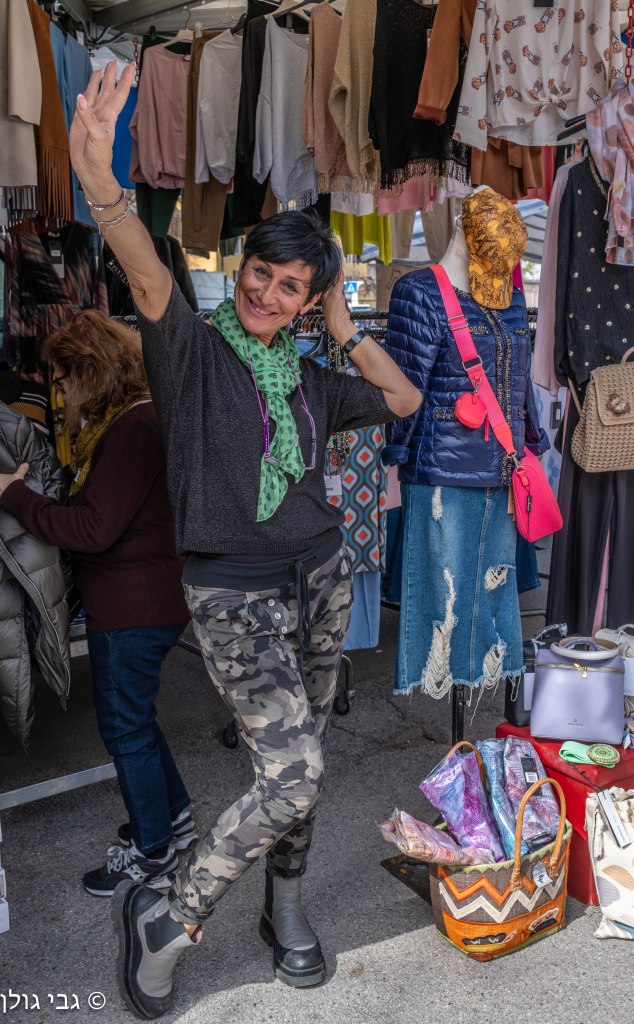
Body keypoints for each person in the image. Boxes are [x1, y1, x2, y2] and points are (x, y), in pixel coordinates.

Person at [68, 61, 421, 1019]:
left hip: (321, 577)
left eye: (290, 285)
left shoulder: (313, 379)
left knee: (306, 762)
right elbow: (145, 269)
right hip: (232, 593)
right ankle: (171, 917)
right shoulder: (190, 350)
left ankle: (285, 905)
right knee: (293, 773)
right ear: (245, 269)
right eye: (261, 272)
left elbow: (402, 398)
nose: (266, 292)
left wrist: (343, 326)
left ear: (309, 299)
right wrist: (98, 177)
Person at [0, 310, 196, 897]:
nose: (59, 393)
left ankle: (153, 851)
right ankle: (174, 819)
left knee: (124, 727)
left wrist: (15, 496)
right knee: (137, 719)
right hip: (145, 597)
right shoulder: (134, 419)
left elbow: (92, 529)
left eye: (63, 379)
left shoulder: (132, 427)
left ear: (90, 371)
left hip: (132, 605)